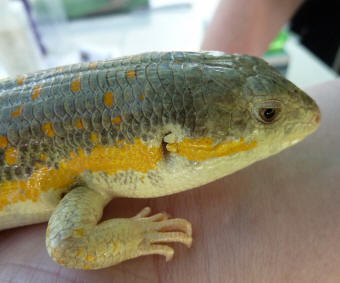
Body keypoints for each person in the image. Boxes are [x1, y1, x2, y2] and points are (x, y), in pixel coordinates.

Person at [1, 1, 340, 282]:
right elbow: (67, 245)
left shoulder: (90, 174)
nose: (305, 115)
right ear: (169, 142)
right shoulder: (88, 181)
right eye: (268, 115)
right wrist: (139, 237)